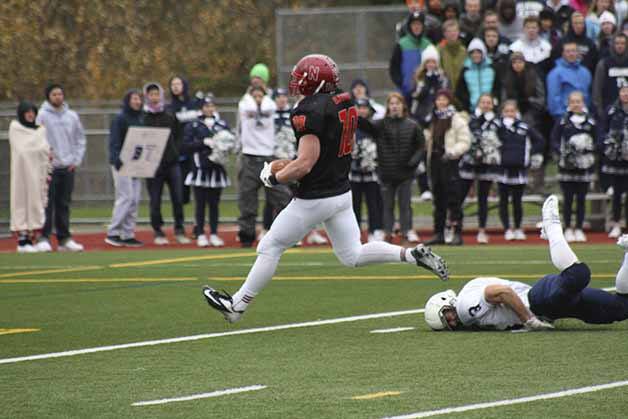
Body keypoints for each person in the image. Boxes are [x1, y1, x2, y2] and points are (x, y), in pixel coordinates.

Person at [202, 54, 449, 323]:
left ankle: (237, 305)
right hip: (341, 192)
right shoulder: (344, 101)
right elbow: (321, 154)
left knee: (270, 246)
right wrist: (284, 165)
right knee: (352, 254)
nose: (297, 83)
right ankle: (411, 255)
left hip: (315, 197)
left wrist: (273, 178)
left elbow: (305, 163)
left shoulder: (310, 111)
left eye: (302, 78)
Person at [424, 195, 628, 331]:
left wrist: (528, 320)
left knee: (579, 275)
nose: (452, 322)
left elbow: (501, 292)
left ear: (447, 303)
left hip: (539, 299)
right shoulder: (468, 300)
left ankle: (552, 228)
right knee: (622, 307)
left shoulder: (464, 307)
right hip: (550, 307)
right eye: (446, 324)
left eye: (447, 316)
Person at [361, 92, 425, 244]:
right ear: (388, 107)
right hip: (386, 173)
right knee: (387, 206)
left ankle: (406, 232)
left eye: (398, 103)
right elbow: (366, 126)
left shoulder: (413, 125)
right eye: (392, 104)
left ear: (403, 105)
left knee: (405, 205)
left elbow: (421, 147)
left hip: (406, 174)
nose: (395, 106)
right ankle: (388, 233)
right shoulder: (380, 125)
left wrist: (413, 163)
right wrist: (355, 113)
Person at [236, 85, 291, 247]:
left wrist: (262, 97)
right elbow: (247, 106)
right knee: (247, 202)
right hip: (249, 159)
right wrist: (251, 96)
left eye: (261, 96)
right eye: (255, 96)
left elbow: (268, 106)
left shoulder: (270, 106)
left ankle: (287, 234)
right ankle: (247, 236)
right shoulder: (245, 106)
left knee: (282, 198)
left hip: (268, 158)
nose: (258, 99)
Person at [35, 84, 85, 252]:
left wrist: (75, 160)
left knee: (64, 204)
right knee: (46, 204)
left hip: (67, 167)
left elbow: (80, 139)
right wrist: (44, 161)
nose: (58, 97)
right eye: (54, 94)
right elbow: (36, 139)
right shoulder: (41, 115)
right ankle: (44, 237)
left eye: (60, 94)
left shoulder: (72, 116)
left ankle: (64, 239)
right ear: (48, 96)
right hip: (49, 168)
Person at [182, 94, 236, 247]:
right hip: (200, 169)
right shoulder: (194, 125)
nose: (209, 109)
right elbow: (186, 146)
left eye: (211, 106)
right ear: (201, 108)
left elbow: (230, 143)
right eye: (206, 106)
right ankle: (199, 234)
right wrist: (203, 142)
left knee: (214, 204)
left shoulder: (222, 124)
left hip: (216, 170)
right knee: (200, 204)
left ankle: (213, 233)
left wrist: (224, 145)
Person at [143, 82, 189, 245]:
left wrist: (174, 152)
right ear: (147, 96)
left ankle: (179, 229)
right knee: (155, 200)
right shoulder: (144, 117)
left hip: (172, 163)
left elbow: (178, 135)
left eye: (157, 94)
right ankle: (158, 231)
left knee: (178, 198)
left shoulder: (169, 114)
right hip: (153, 166)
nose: (154, 97)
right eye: (151, 94)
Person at [423, 89, 472, 245]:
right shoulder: (433, 118)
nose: (441, 103)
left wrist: (452, 152)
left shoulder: (457, 119)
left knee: (453, 199)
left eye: (444, 100)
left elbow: (465, 141)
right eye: (439, 100)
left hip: (450, 162)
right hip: (435, 162)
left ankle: (456, 232)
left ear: (450, 101)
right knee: (438, 200)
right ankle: (439, 233)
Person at [551, 91, 598, 243]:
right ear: (568, 104)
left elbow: (598, 140)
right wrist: (563, 152)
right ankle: (568, 228)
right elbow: (554, 139)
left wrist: (588, 149)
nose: (576, 104)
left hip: (584, 167)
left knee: (581, 199)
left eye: (578, 101)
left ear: (583, 103)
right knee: (568, 199)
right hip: (567, 167)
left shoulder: (590, 121)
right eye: (573, 102)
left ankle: (579, 228)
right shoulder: (563, 121)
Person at [495, 100, 544, 241]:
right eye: (507, 111)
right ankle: (507, 229)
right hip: (502, 170)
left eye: (512, 111)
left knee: (517, 201)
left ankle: (517, 228)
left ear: (516, 112)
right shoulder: (497, 126)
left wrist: (528, 154)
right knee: (503, 201)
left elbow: (540, 140)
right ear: (502, 112)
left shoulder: (524, 127)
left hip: (519, 170)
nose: (510, 114)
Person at [105, 89, 145, 247]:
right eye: (134, 99)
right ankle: (113, 232)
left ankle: (128, 233)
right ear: (128, 100)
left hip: (136, 164)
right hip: (121, 163)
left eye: (139, 99)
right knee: (125, 197)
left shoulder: (141, 118)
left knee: (134, 199)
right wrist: (116, 159)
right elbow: (114, 140)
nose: (137, 102)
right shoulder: (120, 118)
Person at [9, 102, 50, 253]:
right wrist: (35, 150)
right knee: (20, 202)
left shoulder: (40, 130)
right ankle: (23, 240)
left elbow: (44, 149)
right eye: (27, 112)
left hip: (37, 173)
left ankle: (36, 237)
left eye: (32, 112)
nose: (30, 115)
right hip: (21, 174)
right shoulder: (15, 128)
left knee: (36, 203)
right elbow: (21, 150)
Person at [459, 93, 499, 244]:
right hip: (469, 163)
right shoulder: (469, 119)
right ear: (478, 104)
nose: (486, 105)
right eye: (483, 102)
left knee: (483, 199)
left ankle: (482, 230)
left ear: (492, 105)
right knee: (460, 196)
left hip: (487, 164)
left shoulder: (496, 121)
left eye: (488, 102)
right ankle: (455, 228)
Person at [350, 99, 385, 242]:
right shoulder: (349, 126)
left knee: (373, 203)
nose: (362, 110)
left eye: (365, 108)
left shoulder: (374, 126)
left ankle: (375, 230)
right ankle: (354, 233)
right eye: (360, 108)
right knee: (354, 205)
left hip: (371, 173)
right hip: (354, 173)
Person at [167, 76, 200, 208]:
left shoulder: (194, 105)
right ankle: (179, 222)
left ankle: (199, 221)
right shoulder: (169, 107)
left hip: (195, 151)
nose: (175, 86)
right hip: (180, 153)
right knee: (181, 191)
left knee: (198, 187)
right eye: (173, 84)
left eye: (178, 83)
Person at [600, 85, 628, 238]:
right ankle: (616, 224)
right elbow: (602, 131)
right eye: (624, 91)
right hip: (616, 160)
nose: (626, 94)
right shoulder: (611, 110)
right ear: (619, 93)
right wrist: (609, 143)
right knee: (617, 194)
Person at [390, 11, 434, 105]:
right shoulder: (401, 44)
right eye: (414, 24)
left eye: (419, 24)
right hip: (405, 91)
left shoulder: (428, 45)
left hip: (424, 91)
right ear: (409, 26)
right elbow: (394, 66)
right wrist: (401, 83)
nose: (417, 27)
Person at [547, 41, 593, 120]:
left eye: (573, 51)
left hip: (584, 115)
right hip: (564, 116)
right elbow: (553, 98)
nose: (571, 54)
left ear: (578, 53)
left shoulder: (585, 72)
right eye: (568, 51)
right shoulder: (555, 73)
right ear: (563, 54)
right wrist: (562, 116)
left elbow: (588, 94)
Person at [455, 38, 501, 112]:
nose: (476, 55)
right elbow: (460, 91)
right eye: (473, 53)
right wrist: (466, 104)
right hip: (471, 109)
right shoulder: (466, 69)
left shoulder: (492, 68)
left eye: (478, 52)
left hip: (490, 108)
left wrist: (495, 101)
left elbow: (498, 88)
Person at [410, 45, 450, 125]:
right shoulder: (419, 77)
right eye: (428, 62)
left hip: (439, 113)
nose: (431, 64)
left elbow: (444, 94)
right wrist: (427, 83)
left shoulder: (442, 77)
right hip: (420, 112)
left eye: (433, 62)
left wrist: (436, 83)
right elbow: (416, 96)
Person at [593, 34, 628, 122]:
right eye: (617, 43)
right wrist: (599, 110)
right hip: (608, 109)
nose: (620, 46)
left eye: (623, 43)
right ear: (613, 45)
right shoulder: (604, 64)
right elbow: (597, 89)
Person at [438, 19, 468, 94]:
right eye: (449, 31)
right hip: (444, 90)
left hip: (461, 90)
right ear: (444, 33)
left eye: (454, 31)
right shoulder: (439, 50)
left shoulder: (464, 51)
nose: (452, 34)